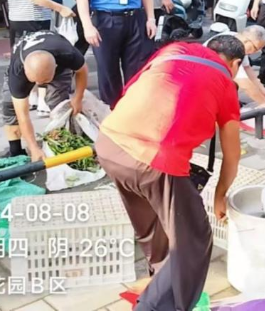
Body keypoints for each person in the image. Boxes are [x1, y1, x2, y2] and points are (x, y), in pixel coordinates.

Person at [95, 35, 244, 311]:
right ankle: (153, 307)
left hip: (108, 144)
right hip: (155, 158)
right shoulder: (225, 80)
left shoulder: (173, 50)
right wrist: (220, 196)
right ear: (235, 64)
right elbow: (232, 154)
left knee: (154, 227)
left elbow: (131, 91)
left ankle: (158, 284)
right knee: (194, 240)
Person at [1, 29, 89, 160]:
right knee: (10, 107)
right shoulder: (18, 71)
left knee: (60, 106)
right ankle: (16, 152)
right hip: (26, 62)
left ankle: (62, 143)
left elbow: (83, 70)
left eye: (44, 81)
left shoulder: (67, 54)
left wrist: (78, 97)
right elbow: (22, 115)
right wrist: (33, 148)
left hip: (56, 59)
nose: (38, 84)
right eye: (35, 81)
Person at [204, 25, 265, 104]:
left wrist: (262, 90)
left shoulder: (237, 40)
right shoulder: (230, 46)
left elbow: (247, 68)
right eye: (255, 48)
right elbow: (244, 83)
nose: (255, 52)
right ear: (247, 41)